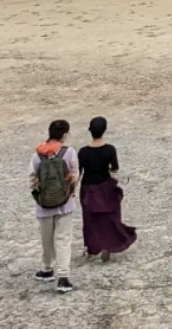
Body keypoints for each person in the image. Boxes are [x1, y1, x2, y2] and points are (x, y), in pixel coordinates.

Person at [28, 119, 79, 293]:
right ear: (65, 135)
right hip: (65, 204)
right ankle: (63, 277)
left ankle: (47, 269)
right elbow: (74, 175)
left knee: (46, 239)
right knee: (63, 239)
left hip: (44, 206)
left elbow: (32, 179)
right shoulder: (69, 152)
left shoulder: (37, 155)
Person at [76, 116, 137, 262]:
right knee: (110, 216)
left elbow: (78, 172)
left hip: (89, 188)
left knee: (90, 218)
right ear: (104, 131)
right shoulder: (110, 149)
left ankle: (92, 248)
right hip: (105, 186)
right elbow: (115, 168)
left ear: (90, 131)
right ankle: (109, 244)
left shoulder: (83, 152)